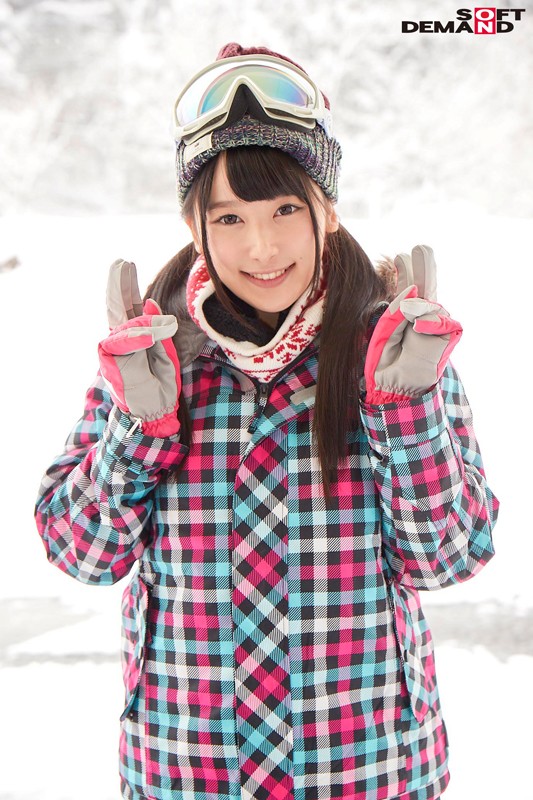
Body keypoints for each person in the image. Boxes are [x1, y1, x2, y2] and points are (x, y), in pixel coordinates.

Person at [35, 42, 498, 800]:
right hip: (188, 771)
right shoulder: (152, 357)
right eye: (229, 216)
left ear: (326, 208)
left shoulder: (393, 349)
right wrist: (136, 428)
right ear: (196, 226)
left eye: (286, 209)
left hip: (362, 768)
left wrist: (405, 412)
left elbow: (446, 560)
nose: (261, 245)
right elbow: (80, 554)